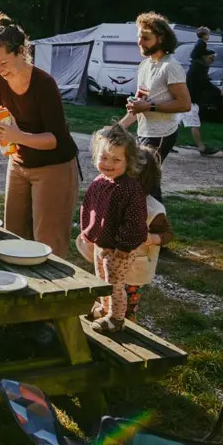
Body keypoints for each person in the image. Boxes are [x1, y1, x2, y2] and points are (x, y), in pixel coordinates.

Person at [0, 13, 79, 256]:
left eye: (3, 63)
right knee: (13, 238)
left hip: (54, 165)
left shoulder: (44, 84)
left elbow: (54, 140)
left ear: (21, 51)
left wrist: (16, 136)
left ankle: (55, 291)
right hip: (18, 163)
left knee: (48, 244)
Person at [78, 125, 148, 333]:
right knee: (101, 278)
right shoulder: (99, 182)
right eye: (103, 157)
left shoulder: (129, 189)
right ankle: (104, 308)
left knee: (114, 283)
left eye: (116, 160)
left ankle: (116, 318)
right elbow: (88, 207)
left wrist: (124, 247)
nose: (108, 164)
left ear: (129, 162)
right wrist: (87, 232)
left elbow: (135, 222)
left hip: (120, 249)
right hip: (102, 243)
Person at [118, 12, 191, 200]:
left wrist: (148, 106)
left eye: (145, 38)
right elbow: (139, 105)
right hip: (145, 131)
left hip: (162, 134)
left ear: (161, 38)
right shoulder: (144, 65)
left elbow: (184, 104)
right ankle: (154, 225)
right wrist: (117, 128)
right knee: (147, 182)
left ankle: (153, 225)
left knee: (142, 180)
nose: (140, 42)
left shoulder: (171, 67)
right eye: (139, 37)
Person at [122, 148, 174, 322]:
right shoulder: (117, 198)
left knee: (127, 303)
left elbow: (167, 234)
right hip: (112, 260)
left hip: (135, 267)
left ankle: (126, 327)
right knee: (106, 293)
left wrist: (151, 238)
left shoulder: (153, 209)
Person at [183, 48, 223, 156]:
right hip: (190, 100)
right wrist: (218, 91)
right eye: (211, 58)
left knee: (175, 122)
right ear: (204, 57)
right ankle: (202, 148)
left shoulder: (197, 67)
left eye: (214, 59)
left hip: (189, 98)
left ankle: (165, 143)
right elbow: (204, 83)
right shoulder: (199, 68)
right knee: (194, 123)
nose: (212, 60)